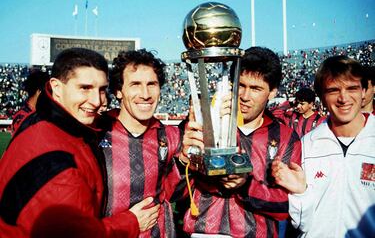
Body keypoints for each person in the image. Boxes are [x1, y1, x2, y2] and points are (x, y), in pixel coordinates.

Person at [0, 48, 159, 238]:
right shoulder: (57, 158)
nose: (96, 100)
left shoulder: (51, 123)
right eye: (85, 88)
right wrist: (130, 222)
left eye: (101, 90)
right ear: (57, 87)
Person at [179, 47, 302, 237]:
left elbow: (286, 207)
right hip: (203, 232)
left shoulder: (286, 138)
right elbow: (176, 192)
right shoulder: (206, 125)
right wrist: (185, 160)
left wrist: (246, 186)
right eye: (241, 85)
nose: (244, 96)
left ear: (272, 92)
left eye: (256, 89)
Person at [272, 55, 375, 237]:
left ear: (364, 91)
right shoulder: (306, 146)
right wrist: (299, 194)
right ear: (321, 96)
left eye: (352, 88)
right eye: (334, 90)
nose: (344, 98)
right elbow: (302, 224)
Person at [101, 49, 187, 238]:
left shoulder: (172, 137)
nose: (145, 94)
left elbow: (177, 194)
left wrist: (185, 163)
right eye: (135, 84)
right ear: (118, 91)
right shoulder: (96, 134)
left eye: (152, 84)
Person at [11, 69, 50, 135]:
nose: (51, 95)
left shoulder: (37, 113)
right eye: (49, 91)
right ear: (40, 91)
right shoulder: (25, 117)